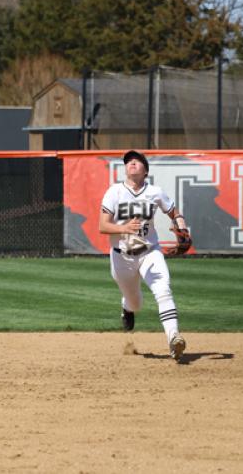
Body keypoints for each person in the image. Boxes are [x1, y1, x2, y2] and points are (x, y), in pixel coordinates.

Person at [99, 150, 189, 361]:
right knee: (135, 302)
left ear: (145, 171)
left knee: (163, 289)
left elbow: (174, 213)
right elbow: (103, 226)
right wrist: (124, 228)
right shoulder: (114, 192)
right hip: (122, 257)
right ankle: (127, 307)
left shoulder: (155, 192)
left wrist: (182, 225)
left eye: (137, 161)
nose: (132, 163)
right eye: (129, 161)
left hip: (150, 251)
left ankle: (174, 338)